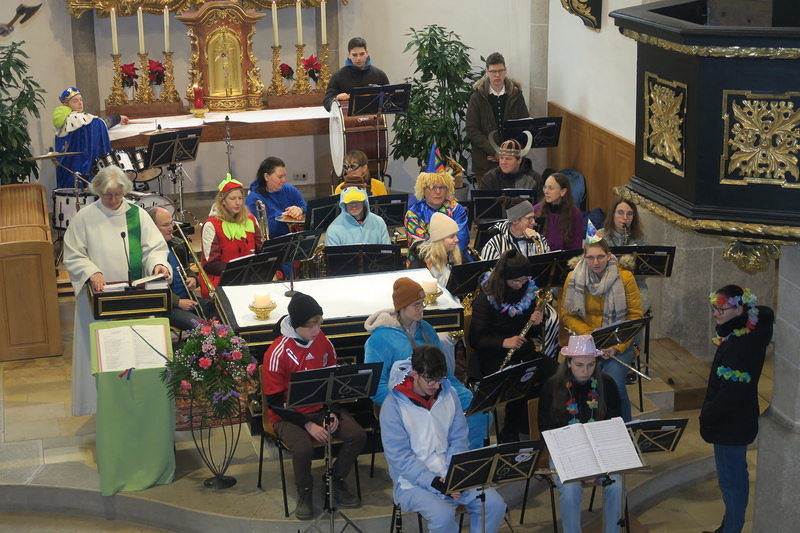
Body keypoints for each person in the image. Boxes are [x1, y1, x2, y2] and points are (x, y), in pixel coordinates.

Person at [63, 166, 170, 416]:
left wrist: (158, 264)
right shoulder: (85, 217)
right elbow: (73, 254)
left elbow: (154, 248)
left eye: (118, 195)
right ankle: (105, 407)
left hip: (133, 298)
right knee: (103, 355)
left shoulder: (137, 215)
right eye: (107, 195)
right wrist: (91, 271)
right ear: (97, 191)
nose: (113, 200)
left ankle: (139, 404)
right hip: (99, 299)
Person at [381, 345, 506, 533]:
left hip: (451, 473)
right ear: (415, 374)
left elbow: (458, 438)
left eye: (440, 379)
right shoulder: (393, 407)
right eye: (430, 380)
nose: (436, 386)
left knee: (494, 505)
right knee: (443, 517)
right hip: (412, 483)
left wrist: (454, 475)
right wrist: (435, 482)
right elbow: (400, 458)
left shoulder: (450, 394)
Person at [262, 292, 366, 520]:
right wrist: (308, 425)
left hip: (321, 408)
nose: (317, 330)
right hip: (288, 415)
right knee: (303, 449)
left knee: (357, 435)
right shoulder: (278, 352)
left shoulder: (323, 341)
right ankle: (305, 492)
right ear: (296, 325)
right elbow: (275, 403)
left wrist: (333, 411)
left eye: (320, 323)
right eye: (311, 326)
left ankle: (335, 481)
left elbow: (335, 381)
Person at [364, 277, 487, 450]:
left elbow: (444, 373)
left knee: (478, 413)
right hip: (406, 399)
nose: (421, 309)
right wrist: (404, 406)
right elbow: (375, 385)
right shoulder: (380, 339)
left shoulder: (426, 329)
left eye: (422, 303)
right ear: (402, 306)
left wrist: (464, 395)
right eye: (416, 304)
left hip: (436, 391)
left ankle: (466, 461)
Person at [700, 286, 773, 533]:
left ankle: (731, 529)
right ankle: (729, 526)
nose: (715, 314)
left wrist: (708, 416)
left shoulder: (740, 345)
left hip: (729, 424)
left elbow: (730, 393)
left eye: (721, 309)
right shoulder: (752, 330)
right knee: (737, 477)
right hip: (741, 418)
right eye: (714, 308)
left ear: (739, 309)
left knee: (731, 483)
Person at [468, 249, 559, 442]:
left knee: (557, 374)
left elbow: (531, 334)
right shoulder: (485, 299)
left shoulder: (527, 293)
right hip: (493, 356)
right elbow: (475, 340)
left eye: (524, 280)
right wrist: (504, 342)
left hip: (522, 352)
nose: (520, 285)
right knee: (520, 383)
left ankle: (535, 423)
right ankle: (509, 435)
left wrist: (536, 324)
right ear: (503, 278)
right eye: (515, 281)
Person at [538, 335, 623, 533]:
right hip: (564, 452)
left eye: (591, 365)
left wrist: (595, 464)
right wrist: (581, 465)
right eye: (579, 365)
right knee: (570, 489)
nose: (585, 371)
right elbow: (547, 430)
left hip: (600, 451)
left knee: (617, 485)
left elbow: (614, 426)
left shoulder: (607, 384)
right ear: (568, 363)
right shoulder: (552, 386)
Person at [561, 226, 643, 422]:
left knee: (615, 385)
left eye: (600, 257)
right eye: (590, 257)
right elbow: (567, 315)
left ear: (608, 255)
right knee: (575, 383)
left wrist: (615, 345)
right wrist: (593, 338)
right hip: (585, 340)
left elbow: (634, 317)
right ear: (584, 257)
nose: (595, 262)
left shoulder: (625, 277)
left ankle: (625, 429)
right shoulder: (573, 277)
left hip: (618, 340)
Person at [465, 53, 530, 187]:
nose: (497, 75)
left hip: (512, 163)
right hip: (485, 161)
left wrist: (506, 154)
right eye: (493, 71)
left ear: (505, 70)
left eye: (500, 71)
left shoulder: (516, 95)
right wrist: (494, 152)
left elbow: (525, 126)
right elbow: (472, 129)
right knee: (487, 198)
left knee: (512, 198)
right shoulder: (477, 97)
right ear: (487, 72)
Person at [147, 206, 214, 330]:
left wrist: (193, 279)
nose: (171, 228)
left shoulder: (177, 243)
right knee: (201, 327)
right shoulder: (146, 253)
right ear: (152, 227)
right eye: (165, 225)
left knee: (221, 311)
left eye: (171, 223)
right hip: (167, 306)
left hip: (188, 298)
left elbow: (187, 270)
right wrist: (178, 302)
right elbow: (149, 290)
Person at [201, 174, 263, 299]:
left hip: (249, 277)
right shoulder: (211, 225)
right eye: (232, 198)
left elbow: (260, 250)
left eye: (240, 198)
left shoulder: (251, 219)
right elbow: (210, 265)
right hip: (223, 280)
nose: (238, 203)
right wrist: (239, 269)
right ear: (222, 200)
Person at [53, 87, 130, 188]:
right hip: (80, 170)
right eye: (75, 101)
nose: (80, 103)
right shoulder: (75, 119)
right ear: (66, 105)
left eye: (81, 100)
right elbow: (98, 124)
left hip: (66, 171)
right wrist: (117, 118)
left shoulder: (61, 120)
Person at [405, 172, 470, 264]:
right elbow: (421, 247)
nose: (438, 192)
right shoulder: (414, 213)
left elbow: (462, 241)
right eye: (432, 187)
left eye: (442, 187)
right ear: (423, 189)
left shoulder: (456, 208)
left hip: (455, 259)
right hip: (423, 264)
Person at [598, 197, 650, 313]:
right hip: (605, 285)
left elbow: (643, 274)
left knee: (638, 306)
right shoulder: (599, 235)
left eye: (629, 214)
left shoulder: (642, 237)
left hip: (635, 284)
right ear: (613, 214)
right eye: (620, 213)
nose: (625, 218)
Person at [245, 156, 307, 239]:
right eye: (280, 177)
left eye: (284, 176)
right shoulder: (253, 200)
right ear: (266, 177)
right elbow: (257, 230)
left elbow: (308, 210)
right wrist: (284, 216)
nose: (284, 180)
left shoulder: (290, 190)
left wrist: (300, 210)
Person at [323, 37, 390, 112]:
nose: (359, 58)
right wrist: (337, 98)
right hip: (348, 118)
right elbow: (327, 102)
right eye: (354, 55)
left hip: (374, 117)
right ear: (349, 55)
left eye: (362, 54)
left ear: (367, 53)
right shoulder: (338, 76)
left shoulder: (380, 75)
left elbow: (389, 100)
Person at [479, 198, 550, 261]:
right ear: (515, 221)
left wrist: (538, 242)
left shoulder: (539, 238)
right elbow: (488, 271)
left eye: (534, 217)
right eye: (529, 218)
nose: (534, 222)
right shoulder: (494, 245)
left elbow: (547, 263)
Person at [408, 212, 464, 287]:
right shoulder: (420, 264)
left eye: (456, 235)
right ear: (440, 240)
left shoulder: (455, 255)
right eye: (451, 236)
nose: (457, 240)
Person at [533, 172, 584, 251]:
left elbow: (576, 247)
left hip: (564, 257)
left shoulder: (575, 214)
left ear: (563, 191)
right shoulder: (536, 210)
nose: (546, 191)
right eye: (545, 187)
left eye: (551, 188)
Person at [325, 186, 390, 246]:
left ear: (364, 202)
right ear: (344, 204)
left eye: (357, 200)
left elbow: (387, 251)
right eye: (350, 201)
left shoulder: (379, 222)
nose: (354, 205)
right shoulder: (333, 230)